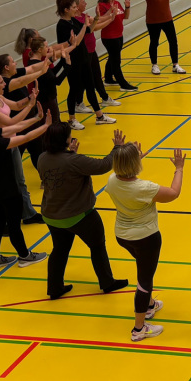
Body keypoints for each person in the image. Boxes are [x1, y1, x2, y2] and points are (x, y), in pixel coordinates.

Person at [39, 125, 129, 300]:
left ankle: (55, 288)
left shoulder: (42, 158)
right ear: (65, 140)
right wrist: (117, 148)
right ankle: (107, 282)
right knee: (97, 245)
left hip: (52, 216)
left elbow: (61, 171)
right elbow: (103, 165)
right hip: (79, 215)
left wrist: (70, 153)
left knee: (59, 249)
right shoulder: (74, 161)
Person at [106, 143, 185, 342]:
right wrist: (179, 168)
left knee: (143, 268)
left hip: (123, 236)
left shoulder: (112, 180)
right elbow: (174, 193)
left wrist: (133, 157)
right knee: (144, 280)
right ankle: (139, 328)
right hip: (146, 238)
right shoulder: (144, 188)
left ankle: (149, 305)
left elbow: (125, 171)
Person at [0, 104, 50, 271]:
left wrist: (37, 118)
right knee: (14, 226)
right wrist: (46, 126)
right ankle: (25, 256)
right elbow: (25, 138)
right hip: (8, 190)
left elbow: (17, 127)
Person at [0, 71, 45, 225]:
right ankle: (2, 220)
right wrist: (31, 107)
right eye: (1, 82)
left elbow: (17, 105)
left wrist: (29, 98)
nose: (5, 84)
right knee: (6, 185)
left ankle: (27, 214)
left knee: (18, 181)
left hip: (10, 142)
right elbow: (11, 122)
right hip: (2, 147)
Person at [55, 0, 116, 130]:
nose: (76, 9)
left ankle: (100, 116)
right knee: (74, 89)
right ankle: (72, 119)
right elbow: (76, 40)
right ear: (66, 10)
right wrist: (84, 26)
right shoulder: (62, 25)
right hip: (72, 61)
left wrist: (95, 20)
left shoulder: (73, 21)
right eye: (73, 7)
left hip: (83, 58)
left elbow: (89, 31)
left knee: (90, 85)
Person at [72, 0, 121, 112]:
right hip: (84, 53)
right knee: (85, 79)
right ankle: (78, 103)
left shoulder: (85, 16)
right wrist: (110, 19)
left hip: (91, 51)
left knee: (97, 75)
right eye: (83, 2)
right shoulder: (75, 20)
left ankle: (104, 97)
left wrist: (110, 15)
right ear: (77, 6)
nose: (86, 3)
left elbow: (97, 20)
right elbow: (95, 27)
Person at [144, 0, 187, 75]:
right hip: (153, 21)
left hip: (167, 19)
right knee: (154, 42)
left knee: (173, 41)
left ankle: (175, 65)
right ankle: (154, 65)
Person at [97, 0, 138, 92]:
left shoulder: (117, 3)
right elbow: (100, 19)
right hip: (109, 37)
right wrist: (110, 10)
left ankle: (108, 79)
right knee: (116, 60)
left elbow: (125, 16)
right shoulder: (101, 6)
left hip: (119, 35)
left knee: (112, 57)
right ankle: (123, 84)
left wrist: (127, 7)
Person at [27, 36, 69, 123]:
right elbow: (57, 81)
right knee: (54, 123)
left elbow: (51, 73)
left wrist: (62, 60)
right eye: (46, 47)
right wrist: (68, 67)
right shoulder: (37, 65)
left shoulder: (36, 62)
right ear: (39, 50)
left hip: (47, 97)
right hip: (47, 99)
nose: (48, 49)